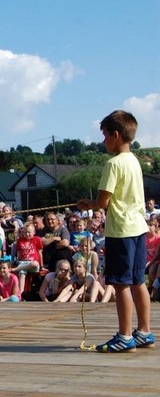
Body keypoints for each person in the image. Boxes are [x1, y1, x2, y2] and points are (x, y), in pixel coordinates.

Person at [77, 110, 153, 353]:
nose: (103, 141)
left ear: (116, 135)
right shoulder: (134, 161)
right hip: (138, 228)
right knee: (138, 281)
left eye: (105, 135)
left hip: (121, 230)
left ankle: (125, 336)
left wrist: (88, 204)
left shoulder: (113, 164)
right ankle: (144, 331)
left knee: (121, 285)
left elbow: (102, 201)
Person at [11, 222, 44, 295]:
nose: (27, 234)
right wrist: (19, 261)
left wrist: (41, 265)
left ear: (34, 232)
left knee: (35, 263)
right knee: (22, 274)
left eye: (29, 232)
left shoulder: (37, 239)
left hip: (32, 263)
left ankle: (16, 269)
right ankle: (21, 294)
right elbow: (19, 253)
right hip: (23, 262)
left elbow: (39, 253)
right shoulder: (20, 240)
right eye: (25, 232)